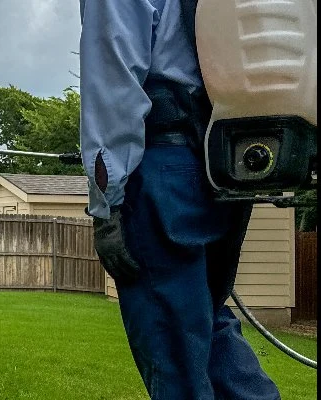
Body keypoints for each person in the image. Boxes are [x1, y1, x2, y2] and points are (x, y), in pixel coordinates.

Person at [78, 1, 282, 399]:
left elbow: (113, 74)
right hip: (224, 166)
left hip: (161, 170)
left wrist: (106, 205)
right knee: (206, 325)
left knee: (176, 358)